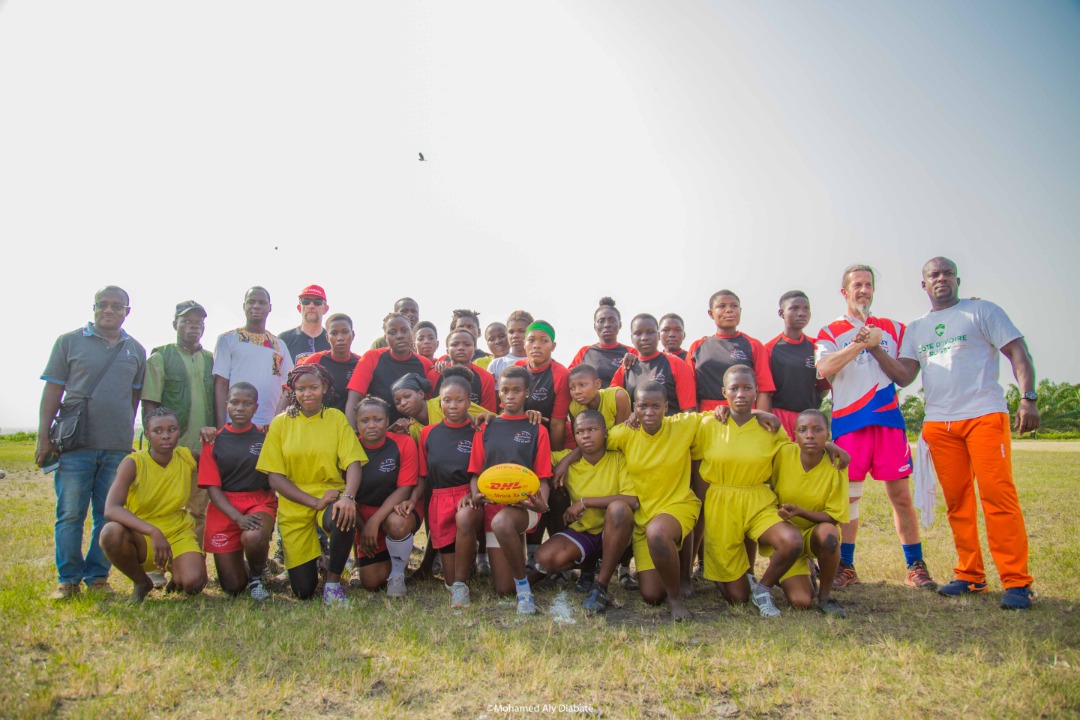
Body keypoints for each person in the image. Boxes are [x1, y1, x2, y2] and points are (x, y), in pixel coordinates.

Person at [890, 257, 1037, 609]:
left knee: (998, 497)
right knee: (957, 502)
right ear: (924, 284)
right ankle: (971, 575)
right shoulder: (916, 328)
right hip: (939, 423)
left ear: (958, 280)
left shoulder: (981, 311)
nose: (941, 278)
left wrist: (1028, 398)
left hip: (983, 415)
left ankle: (1017, 581)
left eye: (947, 273)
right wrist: (872, 349)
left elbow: (1017, 351)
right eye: (934, 275)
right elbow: (905, 375)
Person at [815, 264, 936, 591]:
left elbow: (905, 376)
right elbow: (823, 368)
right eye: (857, 285)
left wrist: (876, 346)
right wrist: (858, 345)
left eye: (868, 285)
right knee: (849, 499)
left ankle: (915, 566)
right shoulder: (830, 331)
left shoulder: (894, 328)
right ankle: (846, 566)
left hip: (887, 421)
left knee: (901, 496)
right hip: (849, 424)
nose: (864, 290)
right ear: (845, 292)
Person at [38, 285, 148, 598]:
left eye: (117, 306)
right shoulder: (69, 342)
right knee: (70, 514)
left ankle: (98, 577)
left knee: (108, 513)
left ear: (127, 311)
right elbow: (53, 391)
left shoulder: (135, 350)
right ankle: (68, 580)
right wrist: (43, 437)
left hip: (116, 448)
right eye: (103, 304)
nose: (109, 310)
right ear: (94, 307)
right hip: (75, 445)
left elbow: (134, 398)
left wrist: (126, 436)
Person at [691, 366, 805, 618]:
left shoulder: (769, 426)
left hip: (758, 499)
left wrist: (829, 446)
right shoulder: (709, 424)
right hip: (721, 502)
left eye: (747, 388)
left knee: (791, 541)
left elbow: (796, 452)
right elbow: (695, 461)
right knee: (738, 598)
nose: (741, 394)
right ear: (724, 392)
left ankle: (763, 588)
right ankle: (739, 577)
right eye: (734, 388)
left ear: (756, 391)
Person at [256, 364, 366, 602]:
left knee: (343, 515)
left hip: (329, 494)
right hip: (295, 502)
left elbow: (353, 462)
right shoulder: (280, 423)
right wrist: (314, 502)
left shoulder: (335, 418)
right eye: (301, 389)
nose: (307, 394)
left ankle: (333, 584)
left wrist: (348, 497)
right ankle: (319, 560)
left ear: (324, 387)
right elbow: (275, 477)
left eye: (313, 387)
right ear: (293, 391)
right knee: (303, 591)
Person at [452, 366, 552, 614]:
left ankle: (525, 593)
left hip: (524, 507)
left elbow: (543, 478)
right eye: (505, 390)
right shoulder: (486, 427)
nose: (510, 396)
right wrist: (476, 494)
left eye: (517, 390)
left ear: (527, 393)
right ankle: (533, 571)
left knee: (503, 522)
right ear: (499, 392)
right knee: (503, 588)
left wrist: (542, 504)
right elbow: (476, 474)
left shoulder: (537, 429)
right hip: (493, 507)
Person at [608, 381, 703, 621]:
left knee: (659, 531)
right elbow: (594, 441)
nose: (649, 412)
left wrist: (760, 413)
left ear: (666, 407)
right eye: (643, 406)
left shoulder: (682, 425)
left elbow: (724, 416)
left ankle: (675, 598)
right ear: (634, 408)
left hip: (678, 505)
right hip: (644, 518)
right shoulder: (624, 433)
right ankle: (669, 578)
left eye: (656, 406)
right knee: (651, 595)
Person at [98, 407, 207, 602]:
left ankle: (177, 575)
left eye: (172, 430)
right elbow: (111, 508)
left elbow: (220, 464)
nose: (165, 436)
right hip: (142, 534)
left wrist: (211, 437)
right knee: (110, 533)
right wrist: (153, 532)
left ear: (179, 431)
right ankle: (142, 582)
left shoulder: (187, 457)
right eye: (158, 431)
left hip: (178, 532)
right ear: (147, 434)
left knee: (194, 584)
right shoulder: (134, 463)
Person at [534, 410, 638, 613]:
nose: (586, 436)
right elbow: (533, 455)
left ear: (605, 433)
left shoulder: (619, 457)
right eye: (580, 432)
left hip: (618, 535)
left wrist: (585, 502)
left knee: (618, 509)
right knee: (545, 558)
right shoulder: (566, 459)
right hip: (584, 533)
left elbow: (632, 500)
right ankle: (587, 567)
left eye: (592, 430)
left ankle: (601, 586)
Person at [141, 300, 215, 555]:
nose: (194, 327)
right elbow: (150, 404)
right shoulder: (161, 358)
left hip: (202, 449)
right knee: (164, 507)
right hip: (172, 449)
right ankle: (158, 564)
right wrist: (156, 446)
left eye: (199, 323)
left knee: (198, 510)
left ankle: (192, 558)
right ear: (175, 324)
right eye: (187, 322)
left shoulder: (210, 360)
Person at [325, 397, 419, 597]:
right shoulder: (348, 446)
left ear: (388, 420)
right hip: (362, 514)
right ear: (357, 423)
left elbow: (404, 488)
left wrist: (374, 522)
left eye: (378, 419)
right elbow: (346, 494)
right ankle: (392, 556)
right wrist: (363, 527)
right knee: (372, 582)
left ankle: (397, 574)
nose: (371, 425)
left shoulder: (404, 443)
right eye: (365, 420)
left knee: (397, 524)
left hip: (394, 510)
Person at [198, 383, 276, 601]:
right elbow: (213, 489)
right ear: (227, 405)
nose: (240, 408)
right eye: (235, 402)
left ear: (256, 407)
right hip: (224, 507)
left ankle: (257, 577)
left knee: (253, 535)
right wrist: (237, 518)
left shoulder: (265, 436)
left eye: (247, 403)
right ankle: (247, 565)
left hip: (257, 501)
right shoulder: (213, 440)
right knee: (233, 587)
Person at [771, 409, 849, 617]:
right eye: (803, 430)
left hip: (815, 532)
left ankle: (825, 596)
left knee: (829, 534)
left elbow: (833, 516)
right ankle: (798, 566)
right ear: (794, 434)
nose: (810, 435)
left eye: (817, 430)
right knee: (801, 601)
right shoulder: (783, 453)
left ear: (828, 434)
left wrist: (800, 512)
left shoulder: (836, 464)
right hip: (787, 536)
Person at [417, 373, 478, 588]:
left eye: (459, 400)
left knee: (466, 521)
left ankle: (473, 560)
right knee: (450, 580)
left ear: (469, 402)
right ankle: (458, 577)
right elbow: (423, 475)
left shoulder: (478, 431)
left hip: (469, 496)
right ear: (439, 402)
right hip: (440, 498)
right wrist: (411, 500)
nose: (453, 405)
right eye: (447, 400)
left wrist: (473, 494)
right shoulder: (428, 433)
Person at [212, 287, 293, 430]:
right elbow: (221, 384)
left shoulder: (279, 345)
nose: (256, 306)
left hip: (269, 425)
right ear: (244, 306)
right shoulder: (228, 339)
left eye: (262, 302)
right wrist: (221, 427)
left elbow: (289, 386)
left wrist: (277, 422)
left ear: (270, 308)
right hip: (235, 424)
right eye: (251, 302)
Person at [688, 290, 775, 411]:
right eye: (722, 306)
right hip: (707, 414)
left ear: (740, 311)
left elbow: (764, 389)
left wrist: (760, 418)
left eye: (734, 306)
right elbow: (690, 391)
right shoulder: (697, 347)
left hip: (743, 413)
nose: (729, 310)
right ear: (711, 313)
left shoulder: (754, 345)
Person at [346, 312, 437, 427]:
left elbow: (430, 403)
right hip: (379, 432)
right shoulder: (371, 358)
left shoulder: (425, 363)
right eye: (392, 332)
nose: (399, 336)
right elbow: (355, 398)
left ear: (412, 333)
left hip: (416, 432)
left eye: (404, 330)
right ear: (385, 337)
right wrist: (354, 433)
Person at [765, 291, 830, 440]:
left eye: (806, 308)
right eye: (794, 308)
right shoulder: (769, 349)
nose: (801, 313)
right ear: (781, 313)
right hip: (780, 417)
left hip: (809, 419)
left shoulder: (817, 347)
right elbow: (765, 393)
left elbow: (824, 387)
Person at [611, 313, 697, 415]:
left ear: (658, 335)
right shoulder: (625, 370)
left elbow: (689, 410)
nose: (644, 338)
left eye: (650, 332)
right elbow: (611, 404)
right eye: (638, 333)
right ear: (632, 338)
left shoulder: (677, 364)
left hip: (672, 425)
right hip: (636, 425)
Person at [298, 313, 361, 413]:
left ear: (353, 335)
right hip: (319, 419)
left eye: (345, 332)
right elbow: (291, 387)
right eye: (334, 333)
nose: (340, 338)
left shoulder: (361, 363)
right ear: (327, 337)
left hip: (351, 420)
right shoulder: (315, 360)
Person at [569, 297, 636, 388]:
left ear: (620, 325)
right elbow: (568, 380)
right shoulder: (584, 352)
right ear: (595, 327)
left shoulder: (632, 353)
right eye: (601, 321)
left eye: (612, 320)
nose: (607, 325)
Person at [434, 328, 497, 412]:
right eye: (455, 344)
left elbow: (487, 414)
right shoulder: (435, 373)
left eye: (467, 344)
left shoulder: (486, 378)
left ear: (474, 350)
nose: (461, 348)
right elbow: (429, 408)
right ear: (447, 351)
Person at [278, 284, 332, 362]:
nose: (311, 306)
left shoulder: (333, 340)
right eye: (305, 301)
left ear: (325, 309)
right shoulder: (284, 340)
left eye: (317, 302)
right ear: (299, 308)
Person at [487, 310, 533, 382]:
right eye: (511, 332)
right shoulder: (496, 364)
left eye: (521, 331)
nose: (515, 336)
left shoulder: (538, 362)